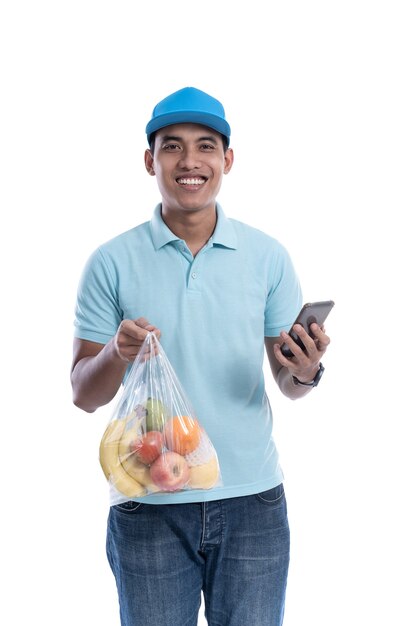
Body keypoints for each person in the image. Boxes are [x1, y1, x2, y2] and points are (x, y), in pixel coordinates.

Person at [71, 86, 331, 626]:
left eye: (206, 146)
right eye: (172, 147)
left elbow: (287, 378)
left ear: (227, 160)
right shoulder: (111, 262)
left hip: (252, 501)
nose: (190, 161)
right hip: (147, 503)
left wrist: (306, 372)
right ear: (150, 160)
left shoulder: (267, 257)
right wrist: (117, 354)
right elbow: (82, 393)